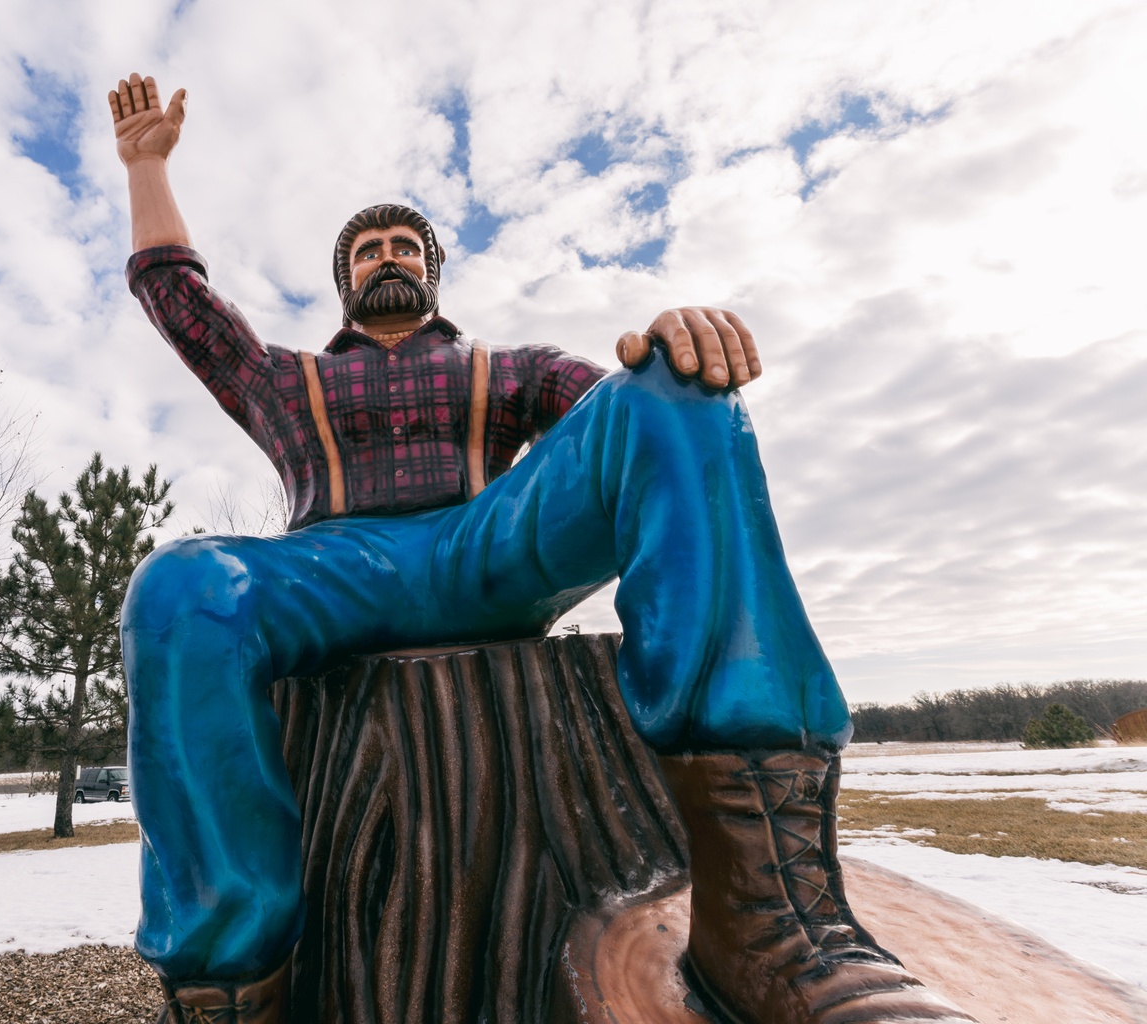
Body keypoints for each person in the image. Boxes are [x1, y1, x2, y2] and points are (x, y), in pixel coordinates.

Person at [110, 73, 972, 1024]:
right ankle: (230, 987)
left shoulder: (504, 369)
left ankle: (770, 919)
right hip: (334, 566)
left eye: (405, 245)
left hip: (485, 554)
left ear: (432, 272)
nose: (387, 257)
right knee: (180, 587)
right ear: (345, 281)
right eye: (368, 249)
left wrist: (669, 353)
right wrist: (147, 165)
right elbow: (178, 300)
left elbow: (621, 417)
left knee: (677, 396)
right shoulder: (285, 380)